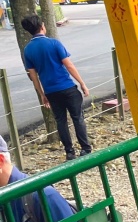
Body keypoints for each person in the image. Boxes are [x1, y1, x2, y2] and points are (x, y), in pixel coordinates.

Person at [20, 15, 91, 160]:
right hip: (67, 87)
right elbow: (69, 65)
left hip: (51, 91)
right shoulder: (54, 43)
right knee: (77, 117)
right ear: (42, 26)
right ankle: (85, 148)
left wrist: (42, 94)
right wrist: (82, 83)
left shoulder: (27, 50)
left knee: (61, 121)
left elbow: (33, 76)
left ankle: (69, 152)